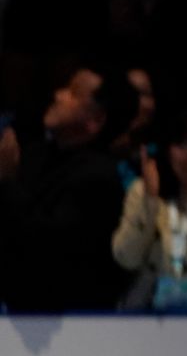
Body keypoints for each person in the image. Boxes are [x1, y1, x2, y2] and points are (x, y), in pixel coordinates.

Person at [0, 66, 142, 311]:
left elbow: (45, 249)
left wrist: (6, 182)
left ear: (95, 120)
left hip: (69, 326)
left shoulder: (98, 178)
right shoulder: (33, 155)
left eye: (74, 93)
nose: (58, 95)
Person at [113, 108, 187, 312]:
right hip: (147, 316)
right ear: (167, 148)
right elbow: (126, 257)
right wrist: (150, 201)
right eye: (184, 143)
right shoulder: (142, 191)